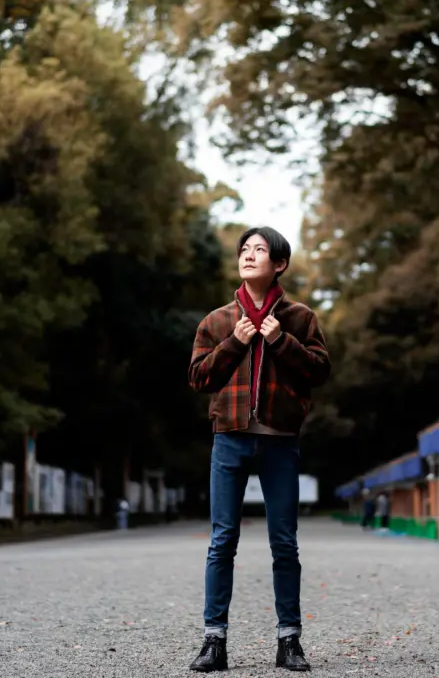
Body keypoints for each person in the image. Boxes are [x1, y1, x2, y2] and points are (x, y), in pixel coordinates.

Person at [187, 226, 331, 673]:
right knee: (222, 540)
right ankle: (214, 641)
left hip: (279, 442)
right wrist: (238, 341)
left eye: (260, 250)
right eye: (244, 249)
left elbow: (320, 371)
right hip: (229, 438)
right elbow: (198, 378)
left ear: (279, 264)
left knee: (284, 543)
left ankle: (289, 641)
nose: (249, 255)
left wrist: (278, 340)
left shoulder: (301, 318)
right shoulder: (216, 321)